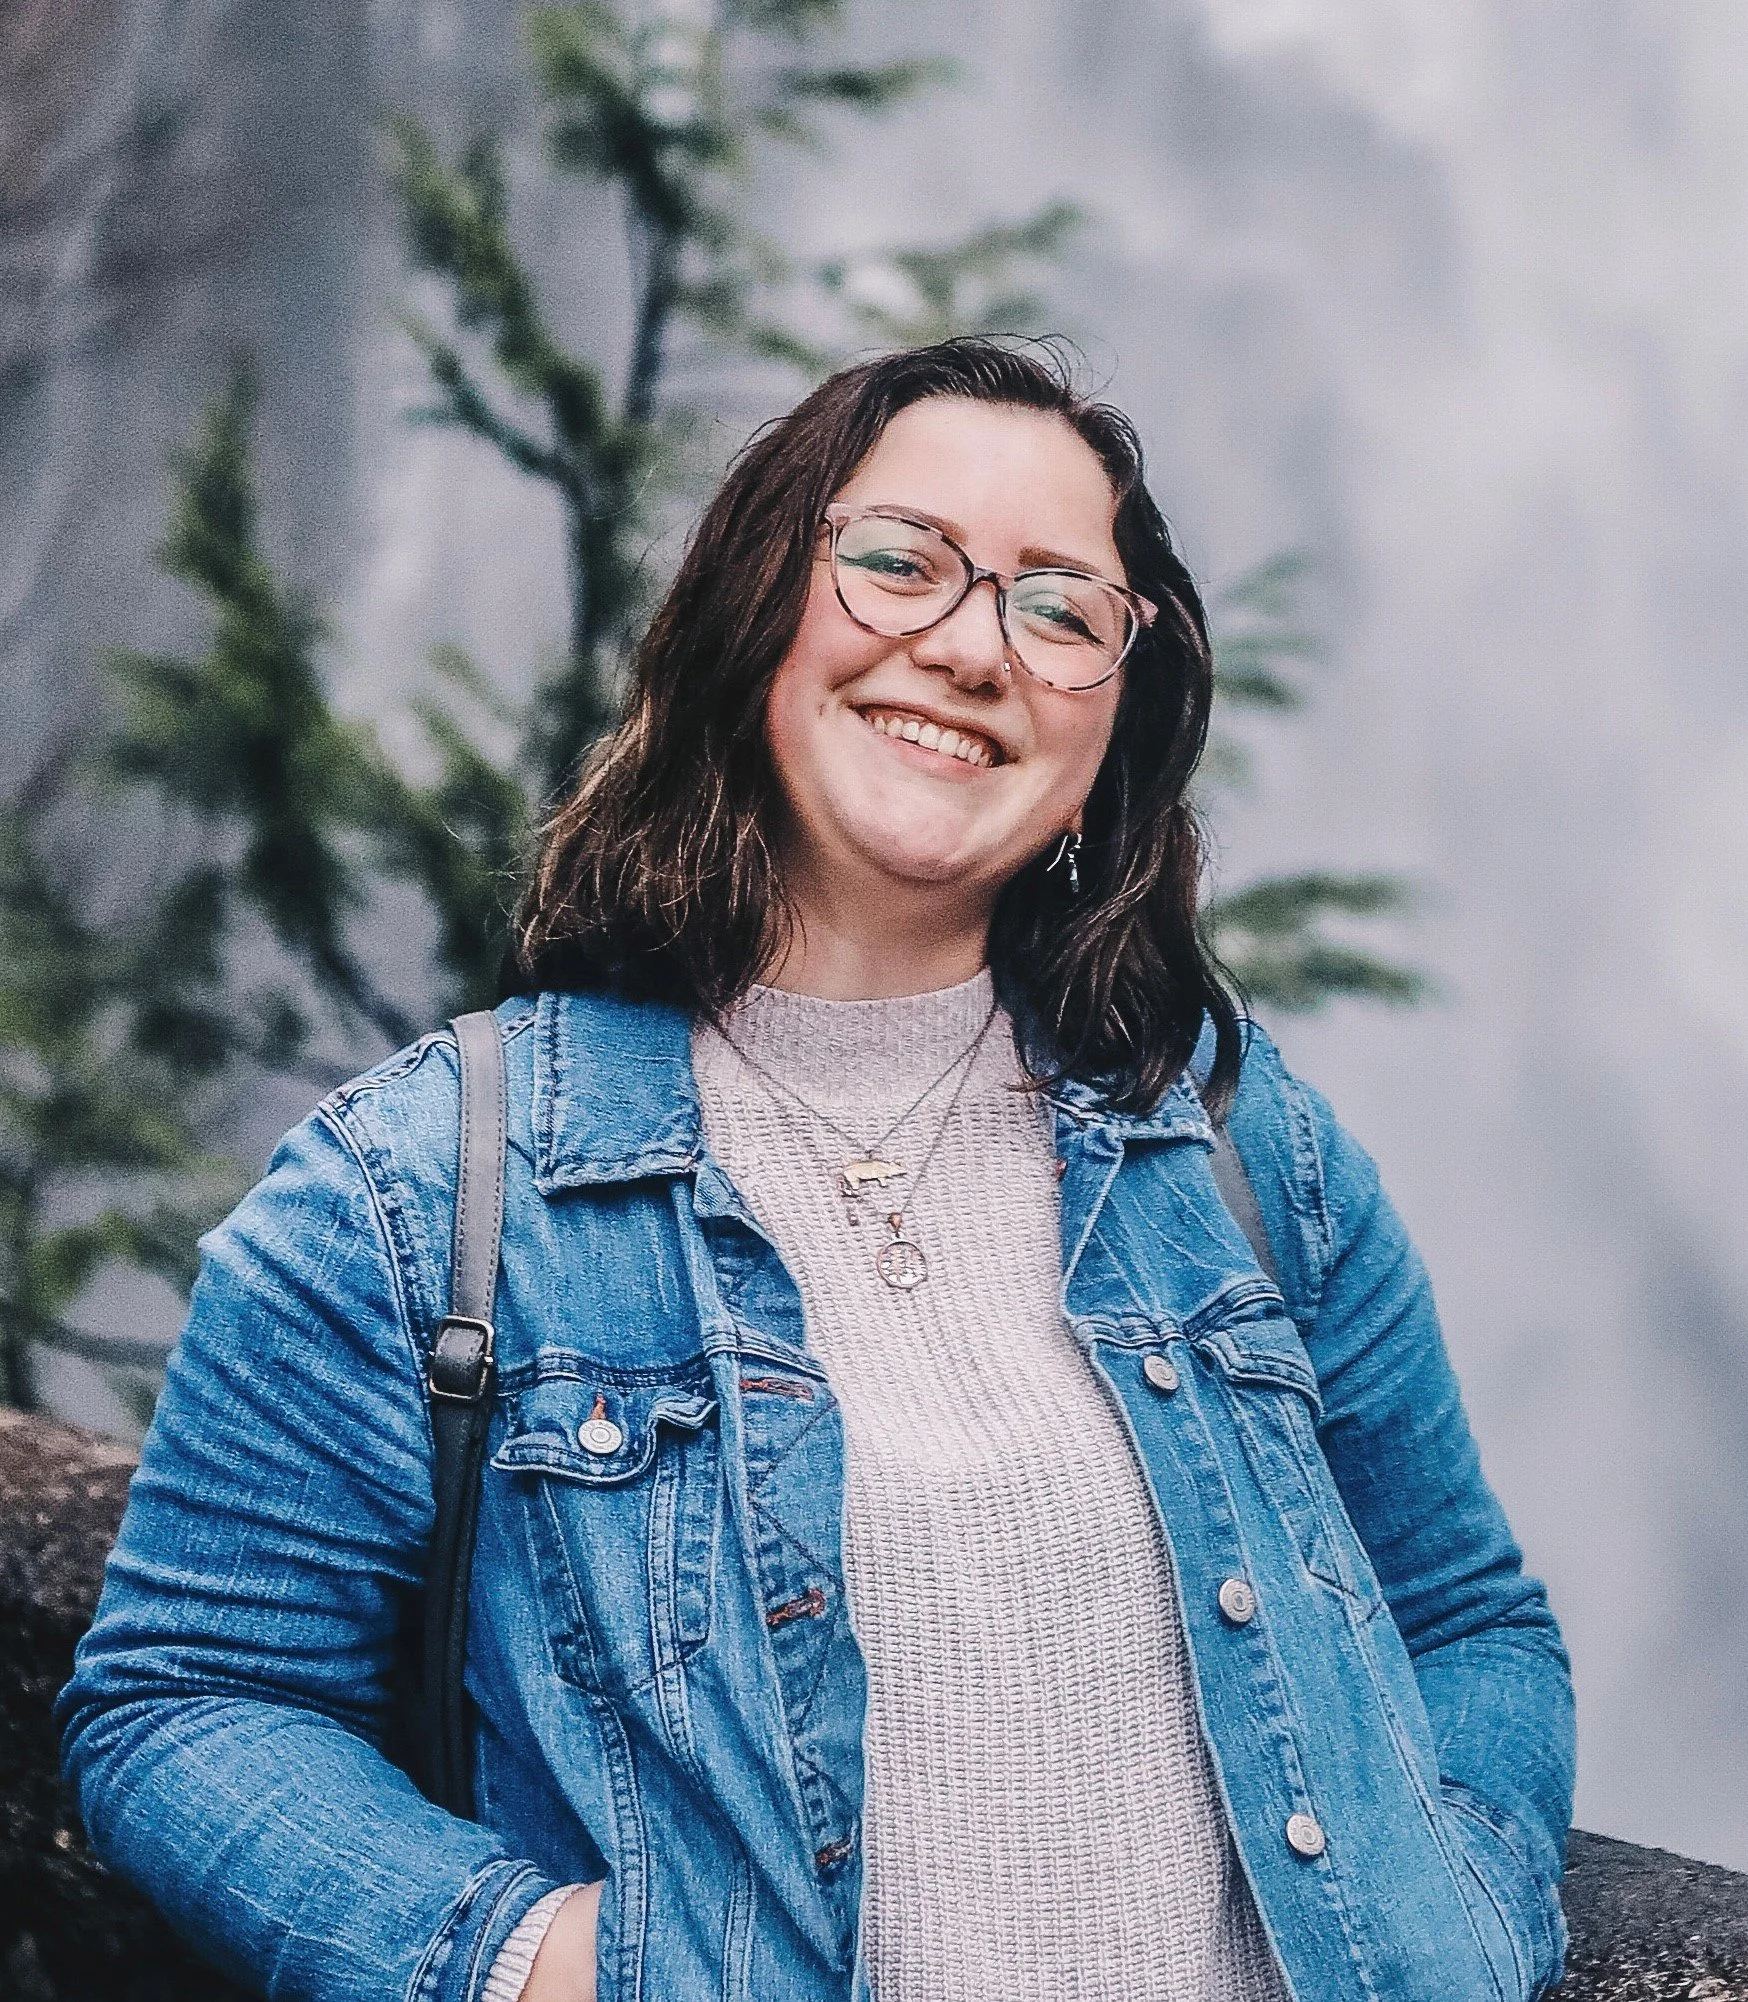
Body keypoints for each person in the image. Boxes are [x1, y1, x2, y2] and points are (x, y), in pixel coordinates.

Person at [59, 338, 1575, 2002]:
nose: (975, 646)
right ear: (756, 608)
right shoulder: (422, 1188)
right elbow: (184, 1699)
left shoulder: (1227, 1139)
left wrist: (1455, 1922)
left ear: (1114, 718)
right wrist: (526, 1957)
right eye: (902, 561)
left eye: (1061, 608)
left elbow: (1468, 1620)